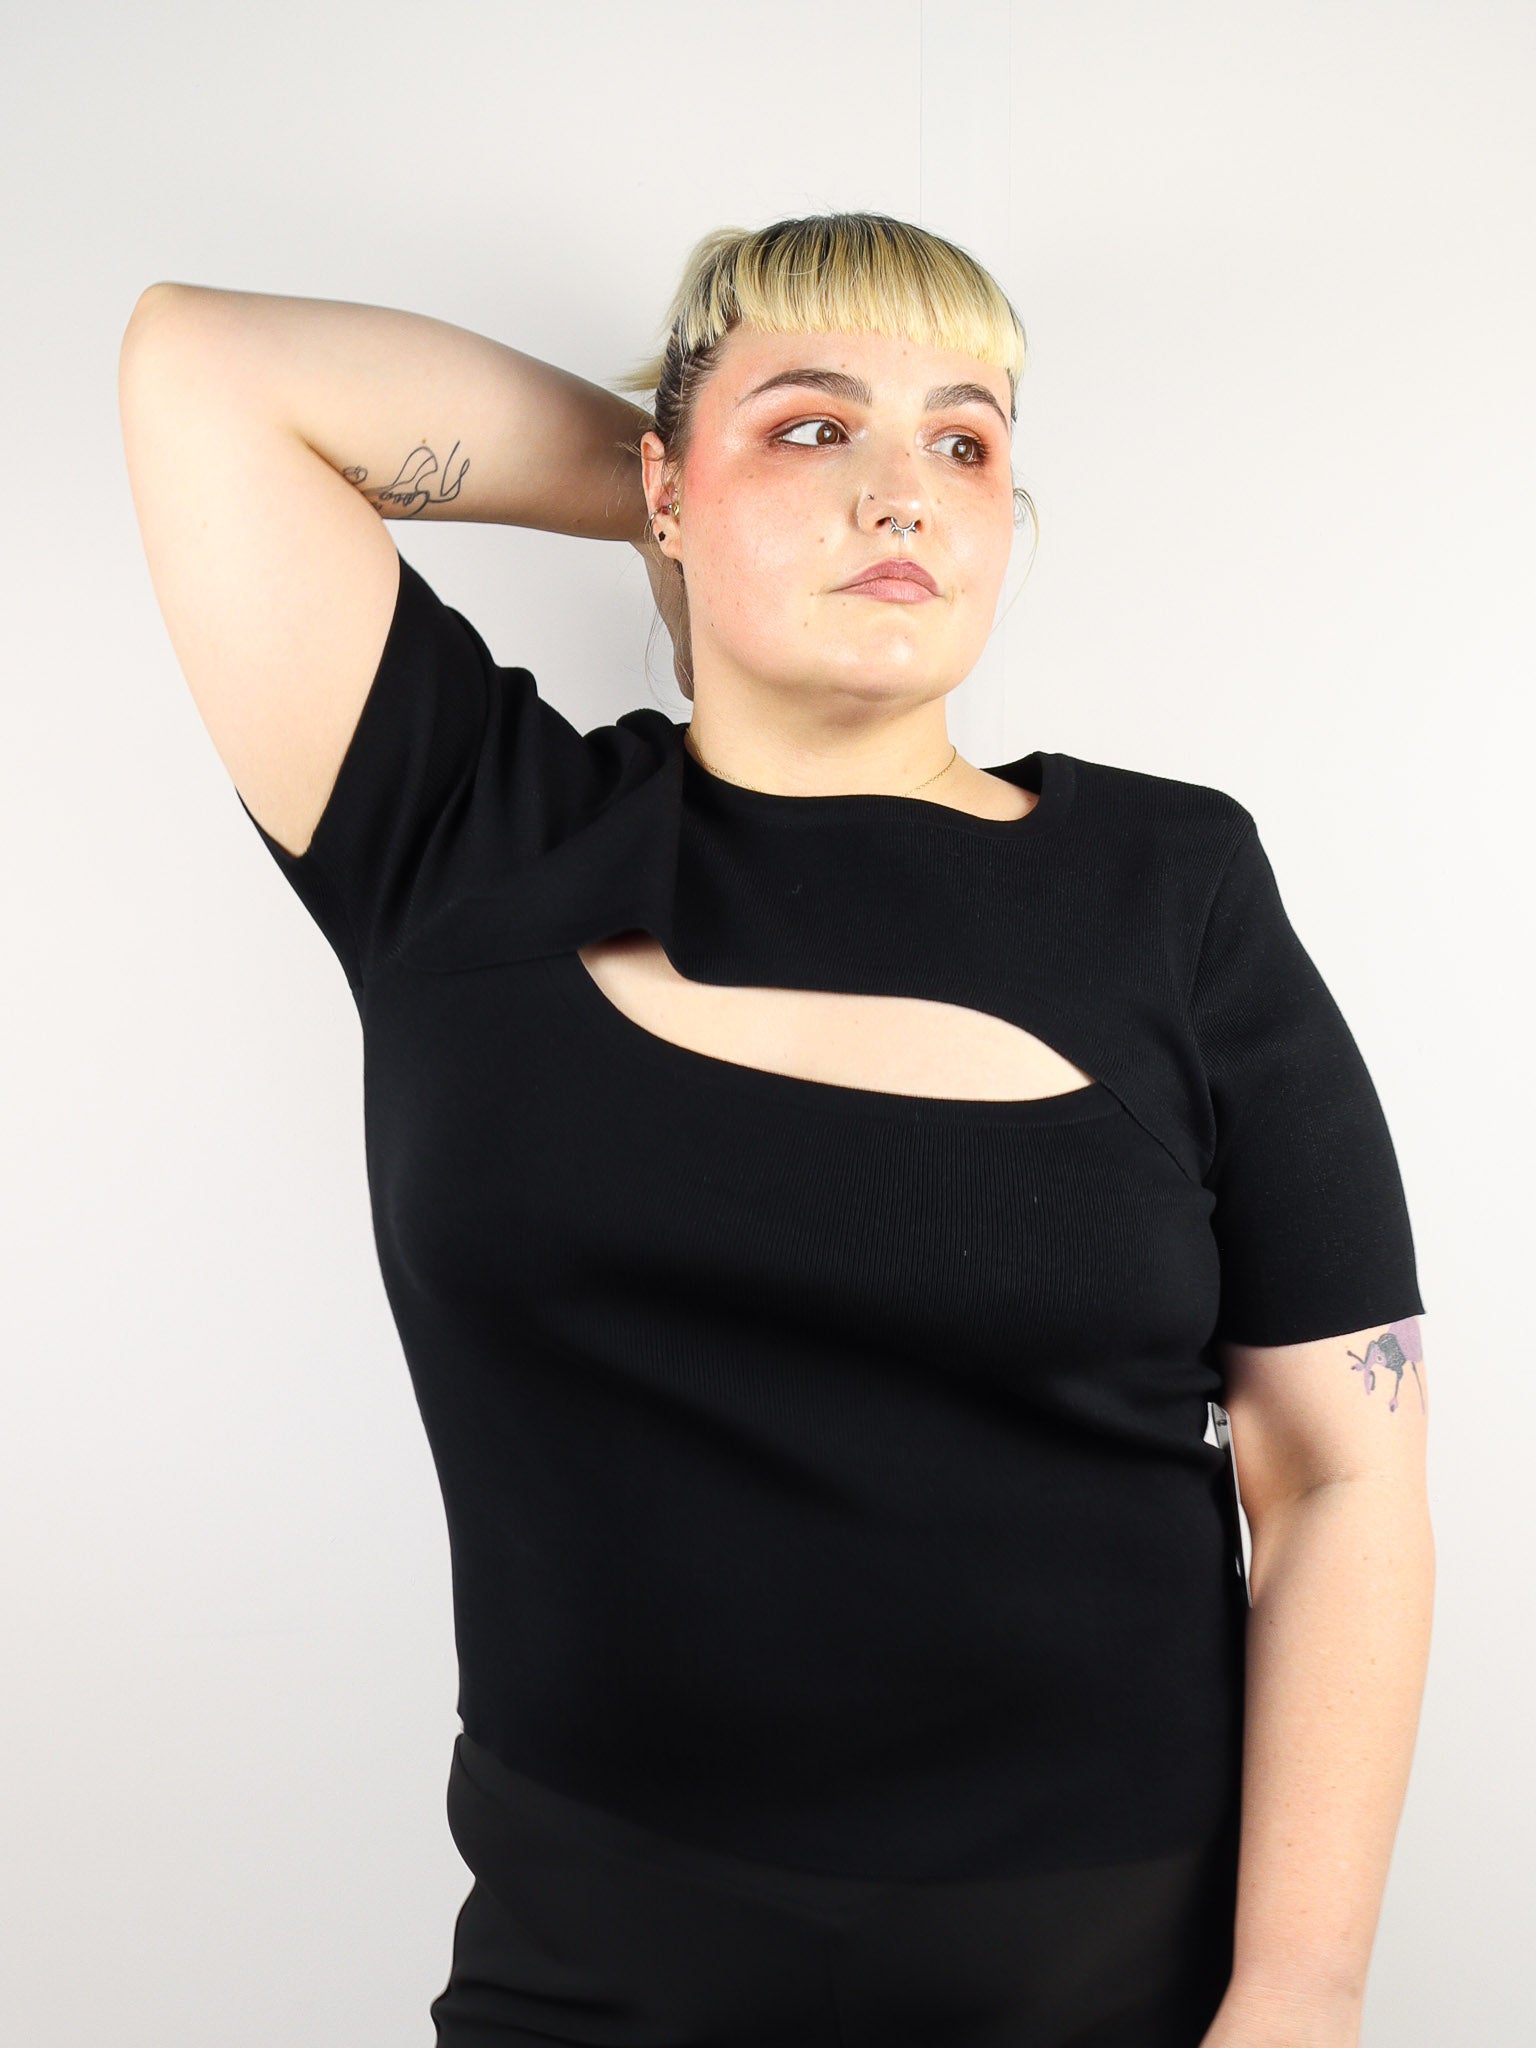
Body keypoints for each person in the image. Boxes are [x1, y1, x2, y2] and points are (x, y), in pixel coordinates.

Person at [118, 212, 1431, 2047]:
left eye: (964, 445)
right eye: (817, 430)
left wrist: (1303, 1986)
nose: (903, 496)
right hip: (590, 1980)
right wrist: (668, 476)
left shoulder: (1173, 885)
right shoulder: (465, 840)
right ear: (663, 483)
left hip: (1109, 1982)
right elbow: (203, 369)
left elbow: (1340, 1470)